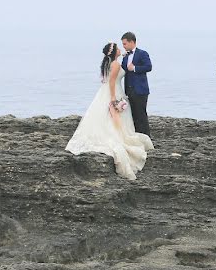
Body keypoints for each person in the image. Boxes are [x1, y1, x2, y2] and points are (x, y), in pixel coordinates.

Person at [65, 42, 154, 179]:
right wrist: (113, 99)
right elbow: (112, 82)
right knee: (113, 118)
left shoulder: (109, 63)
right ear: (113, 53)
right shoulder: (116, 64)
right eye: (118, 48)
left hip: (106, 92)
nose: (120, 49)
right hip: (113, 92)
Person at [120, 32, 152, 136]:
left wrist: (134, 68)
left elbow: (148, 67)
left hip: (140, 90)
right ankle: (137, 136)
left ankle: (146, 137)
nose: (123, 46)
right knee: (133, 115)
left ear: (132, 42)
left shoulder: (142, 53)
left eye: (125, 44)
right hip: (129, 90)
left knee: (141, 115)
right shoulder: (125, 57)